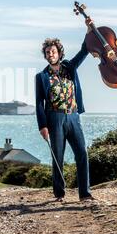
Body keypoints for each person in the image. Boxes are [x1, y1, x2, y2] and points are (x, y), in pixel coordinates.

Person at [35, 17, 95, 202]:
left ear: (59, 53)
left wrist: (89, 29)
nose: (50, 54)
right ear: (45, 55)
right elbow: (39, 103)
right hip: (54, 118)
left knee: (82, 154)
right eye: (47, 52)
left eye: (53, 51)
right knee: (58, 157)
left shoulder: (69, 67)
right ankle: (59, 194)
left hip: (73, 117)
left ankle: (85, 194)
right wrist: (42, 126)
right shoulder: (41, 76)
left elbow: (85, 50)